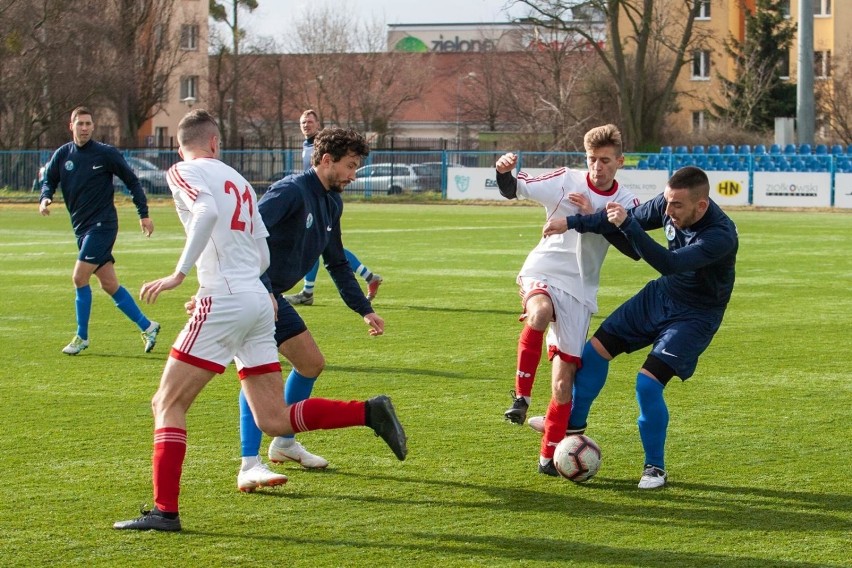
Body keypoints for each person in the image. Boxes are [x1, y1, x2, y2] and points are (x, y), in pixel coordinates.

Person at [113, 110, 407, 532]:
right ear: (216, 143)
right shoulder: (240, 182)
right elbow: (262, 247)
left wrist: (182, 275)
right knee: (273, 417)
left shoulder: (182, 169)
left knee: (167, 403)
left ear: (185, 146)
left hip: (227, 296)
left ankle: (165, 512)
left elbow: (206, 214)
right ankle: (366, 412)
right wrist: (259, 288)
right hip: (257, 299)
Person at [541, 165, 738, 489]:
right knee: (592, 355)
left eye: (677, 206)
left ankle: (655, 468)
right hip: (661, 295)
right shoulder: (667, 204)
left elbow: (669, 261)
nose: (668, 210)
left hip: (696, 315)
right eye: (666, 202)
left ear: (700, 206)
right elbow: (618, 217)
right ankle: (570, 429)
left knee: (647, 385)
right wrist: (572, 222)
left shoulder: (720, 236)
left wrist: (629, 225)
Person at [232, 125, 390, 492]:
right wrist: (261, 288)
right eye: (350, 166)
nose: (353, 175)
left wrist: (363, 309)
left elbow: (335, 261)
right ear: (326, 160)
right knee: (258, 374)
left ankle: (284, 443)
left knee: (310, 363)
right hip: (252, 292)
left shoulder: (332, 200)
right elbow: (244, 237)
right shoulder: (289, 192)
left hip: (271, 294)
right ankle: (248, 464)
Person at [496, 124, 640, 477]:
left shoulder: (626, 201)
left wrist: (588, 216)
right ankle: (521, 397)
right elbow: (515, 190)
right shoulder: (565, 180)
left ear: (620, 162)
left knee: (563, 385)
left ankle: (548, 459)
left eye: (605, 160)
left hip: (580, 290)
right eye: (592, 159)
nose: (597, 167)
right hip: (544, 269)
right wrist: (502, 172)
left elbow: (634, 249)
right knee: (540, 312)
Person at [38, 106, 160, 355]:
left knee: (79, 277)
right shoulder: (63, 155)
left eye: (88, 124)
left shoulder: (105, 154)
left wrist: (143, 214)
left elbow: (132, 181)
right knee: (108, 284)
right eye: (80, 124)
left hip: (103, 225)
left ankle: (81, 337)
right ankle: (148, 326)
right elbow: (49, 179)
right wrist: (45, 198)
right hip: (81, 229)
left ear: (93, 127)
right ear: (71, 126)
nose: (84, 128)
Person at [284, 109, 382, 306]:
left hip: (325, 198)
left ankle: (307, 292)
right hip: (313, 198)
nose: (306, 125)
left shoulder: (322, 145)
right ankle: (368, 276)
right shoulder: (307, 146)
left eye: (310, 122)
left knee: (319, 244)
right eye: (303, 122)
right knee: (325, 246)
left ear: (318, 124)